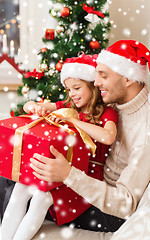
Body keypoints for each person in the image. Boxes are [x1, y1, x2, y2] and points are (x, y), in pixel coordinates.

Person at [28, 39, 150, 233]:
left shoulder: (149, 129)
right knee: (16, 179)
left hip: (110, 213)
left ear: (128, 78)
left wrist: (67, 174)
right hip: (93, 185)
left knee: (23, 193)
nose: (96, 81)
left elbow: (125, 204)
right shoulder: (118, 102)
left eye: (103, 75)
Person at [1, 54, 119, 240]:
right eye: (68, 89)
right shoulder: (67, 106)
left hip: (84, 177)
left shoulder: (107, 112)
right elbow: (29, 106)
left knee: (42, 198)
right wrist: (34, 107)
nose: (71, 94)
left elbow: (108, 137)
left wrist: (72, 120)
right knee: (20, 188)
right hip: (59, 171)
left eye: (77, 88)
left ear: (92, 85)